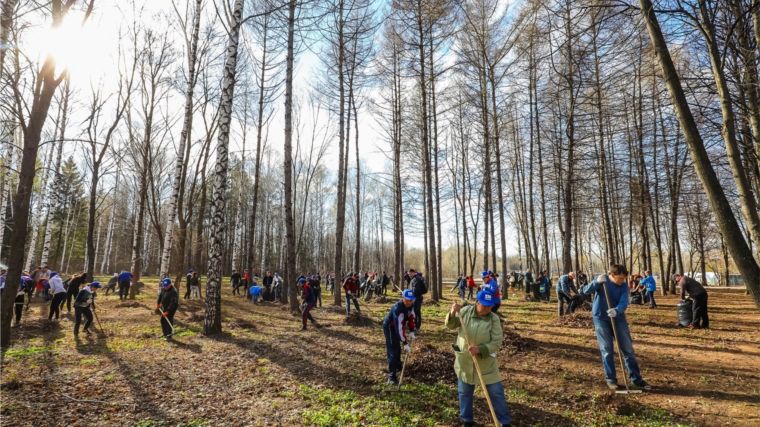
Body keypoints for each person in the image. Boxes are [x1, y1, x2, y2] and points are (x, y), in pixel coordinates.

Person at [445, 291, 512, 427]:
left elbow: (496, 342)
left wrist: (480, 349)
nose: (488, 308)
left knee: (496, 392)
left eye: (490, 306)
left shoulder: (494, 319)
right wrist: (452, 313)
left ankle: (504, 422)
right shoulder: (465, 312)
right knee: (465, 392)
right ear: (477, 302)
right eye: (485, 305)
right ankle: (467, 420)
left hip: (485, 364)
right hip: (465, 361)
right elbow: (451, 325)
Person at [582, 264, 651, 391]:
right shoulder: (602, 281)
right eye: (620, 278)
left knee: (628, 350)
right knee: (607, 350)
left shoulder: (624, 286)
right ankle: (611, 380)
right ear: (612, 275)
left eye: (624, 278)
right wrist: (596, 282)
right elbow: (586, 291)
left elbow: (624, 302)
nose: (622, 281)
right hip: (601, 319)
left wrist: (617, 310)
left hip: (618, 319)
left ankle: (636, 379)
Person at [382, 289, 416, 386]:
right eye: (408, 300)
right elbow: (399, 327)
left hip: (397, 327)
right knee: (393, 350)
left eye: (411, 300)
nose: (410, 302)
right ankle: (391, 377)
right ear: (403, 298)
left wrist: (412, 330)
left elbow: (411, 317)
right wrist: (405, 343)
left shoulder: (411, 306)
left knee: (397, 348)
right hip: (390, 326)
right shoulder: (398, 309)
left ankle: (397, 365)